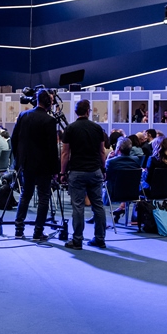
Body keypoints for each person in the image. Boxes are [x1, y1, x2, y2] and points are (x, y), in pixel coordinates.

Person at [10, 90, 59, 240]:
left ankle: (19, 229)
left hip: (26, 163)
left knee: (25, 195)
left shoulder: (23, 115)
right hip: (44, 165)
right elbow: (52, 148)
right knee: (44, 197)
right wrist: (55, 170)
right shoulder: (50, 120)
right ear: (49, 103)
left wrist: (18, 159)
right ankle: (38, 232)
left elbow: (14, 139)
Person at [59, 99, 107, 249]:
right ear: (88, 111)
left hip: (77, 172)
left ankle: (77, 240)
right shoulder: (97, 128)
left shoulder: (70, 129)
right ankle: (100, 238)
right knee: (98, 206)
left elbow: (65, 153)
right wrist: (103, 169)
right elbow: (102, 152)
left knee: (78, 207)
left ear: (75, 112)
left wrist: (62, 172)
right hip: (95, 171)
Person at [105, 137, 142, 224]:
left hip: (114, 194)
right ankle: (122, 207)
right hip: (133, 193)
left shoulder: (111, 162)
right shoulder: (137, 160)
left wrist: (107, 159)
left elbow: (106, 177)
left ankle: (96, 218)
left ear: (118, 148)